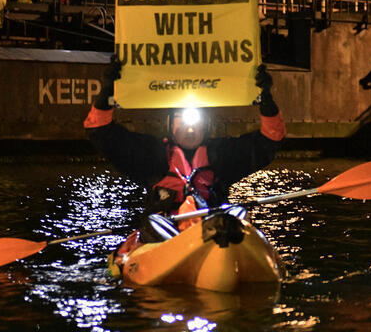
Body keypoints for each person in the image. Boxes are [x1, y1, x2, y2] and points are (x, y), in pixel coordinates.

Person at [84, 58, 286, 244]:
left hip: (213, 230)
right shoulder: (151, 154)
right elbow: (100, 133)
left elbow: (270, 138)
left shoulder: (222, 155)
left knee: (237, 214)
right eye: (181, 120)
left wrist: (265, 100)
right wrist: (107, 93)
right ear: (171, 126)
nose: (189, 129)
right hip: (166, 232)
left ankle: (223, 245)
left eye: (196, 123)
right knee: (153, 221)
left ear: (205, 127)